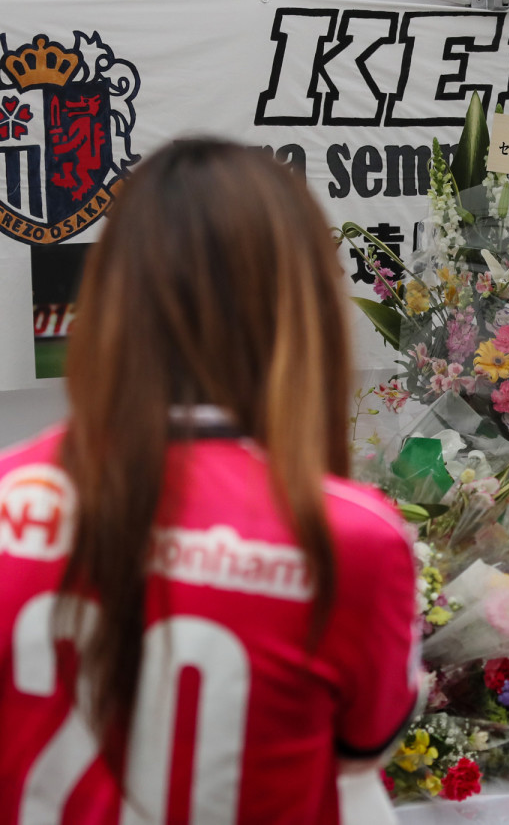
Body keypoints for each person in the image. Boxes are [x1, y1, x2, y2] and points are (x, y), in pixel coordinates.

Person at [0, 139, 419, 823]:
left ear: (108, 294)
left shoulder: (8, 494)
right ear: (303, 305)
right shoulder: (351, 535)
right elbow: (358, 759)